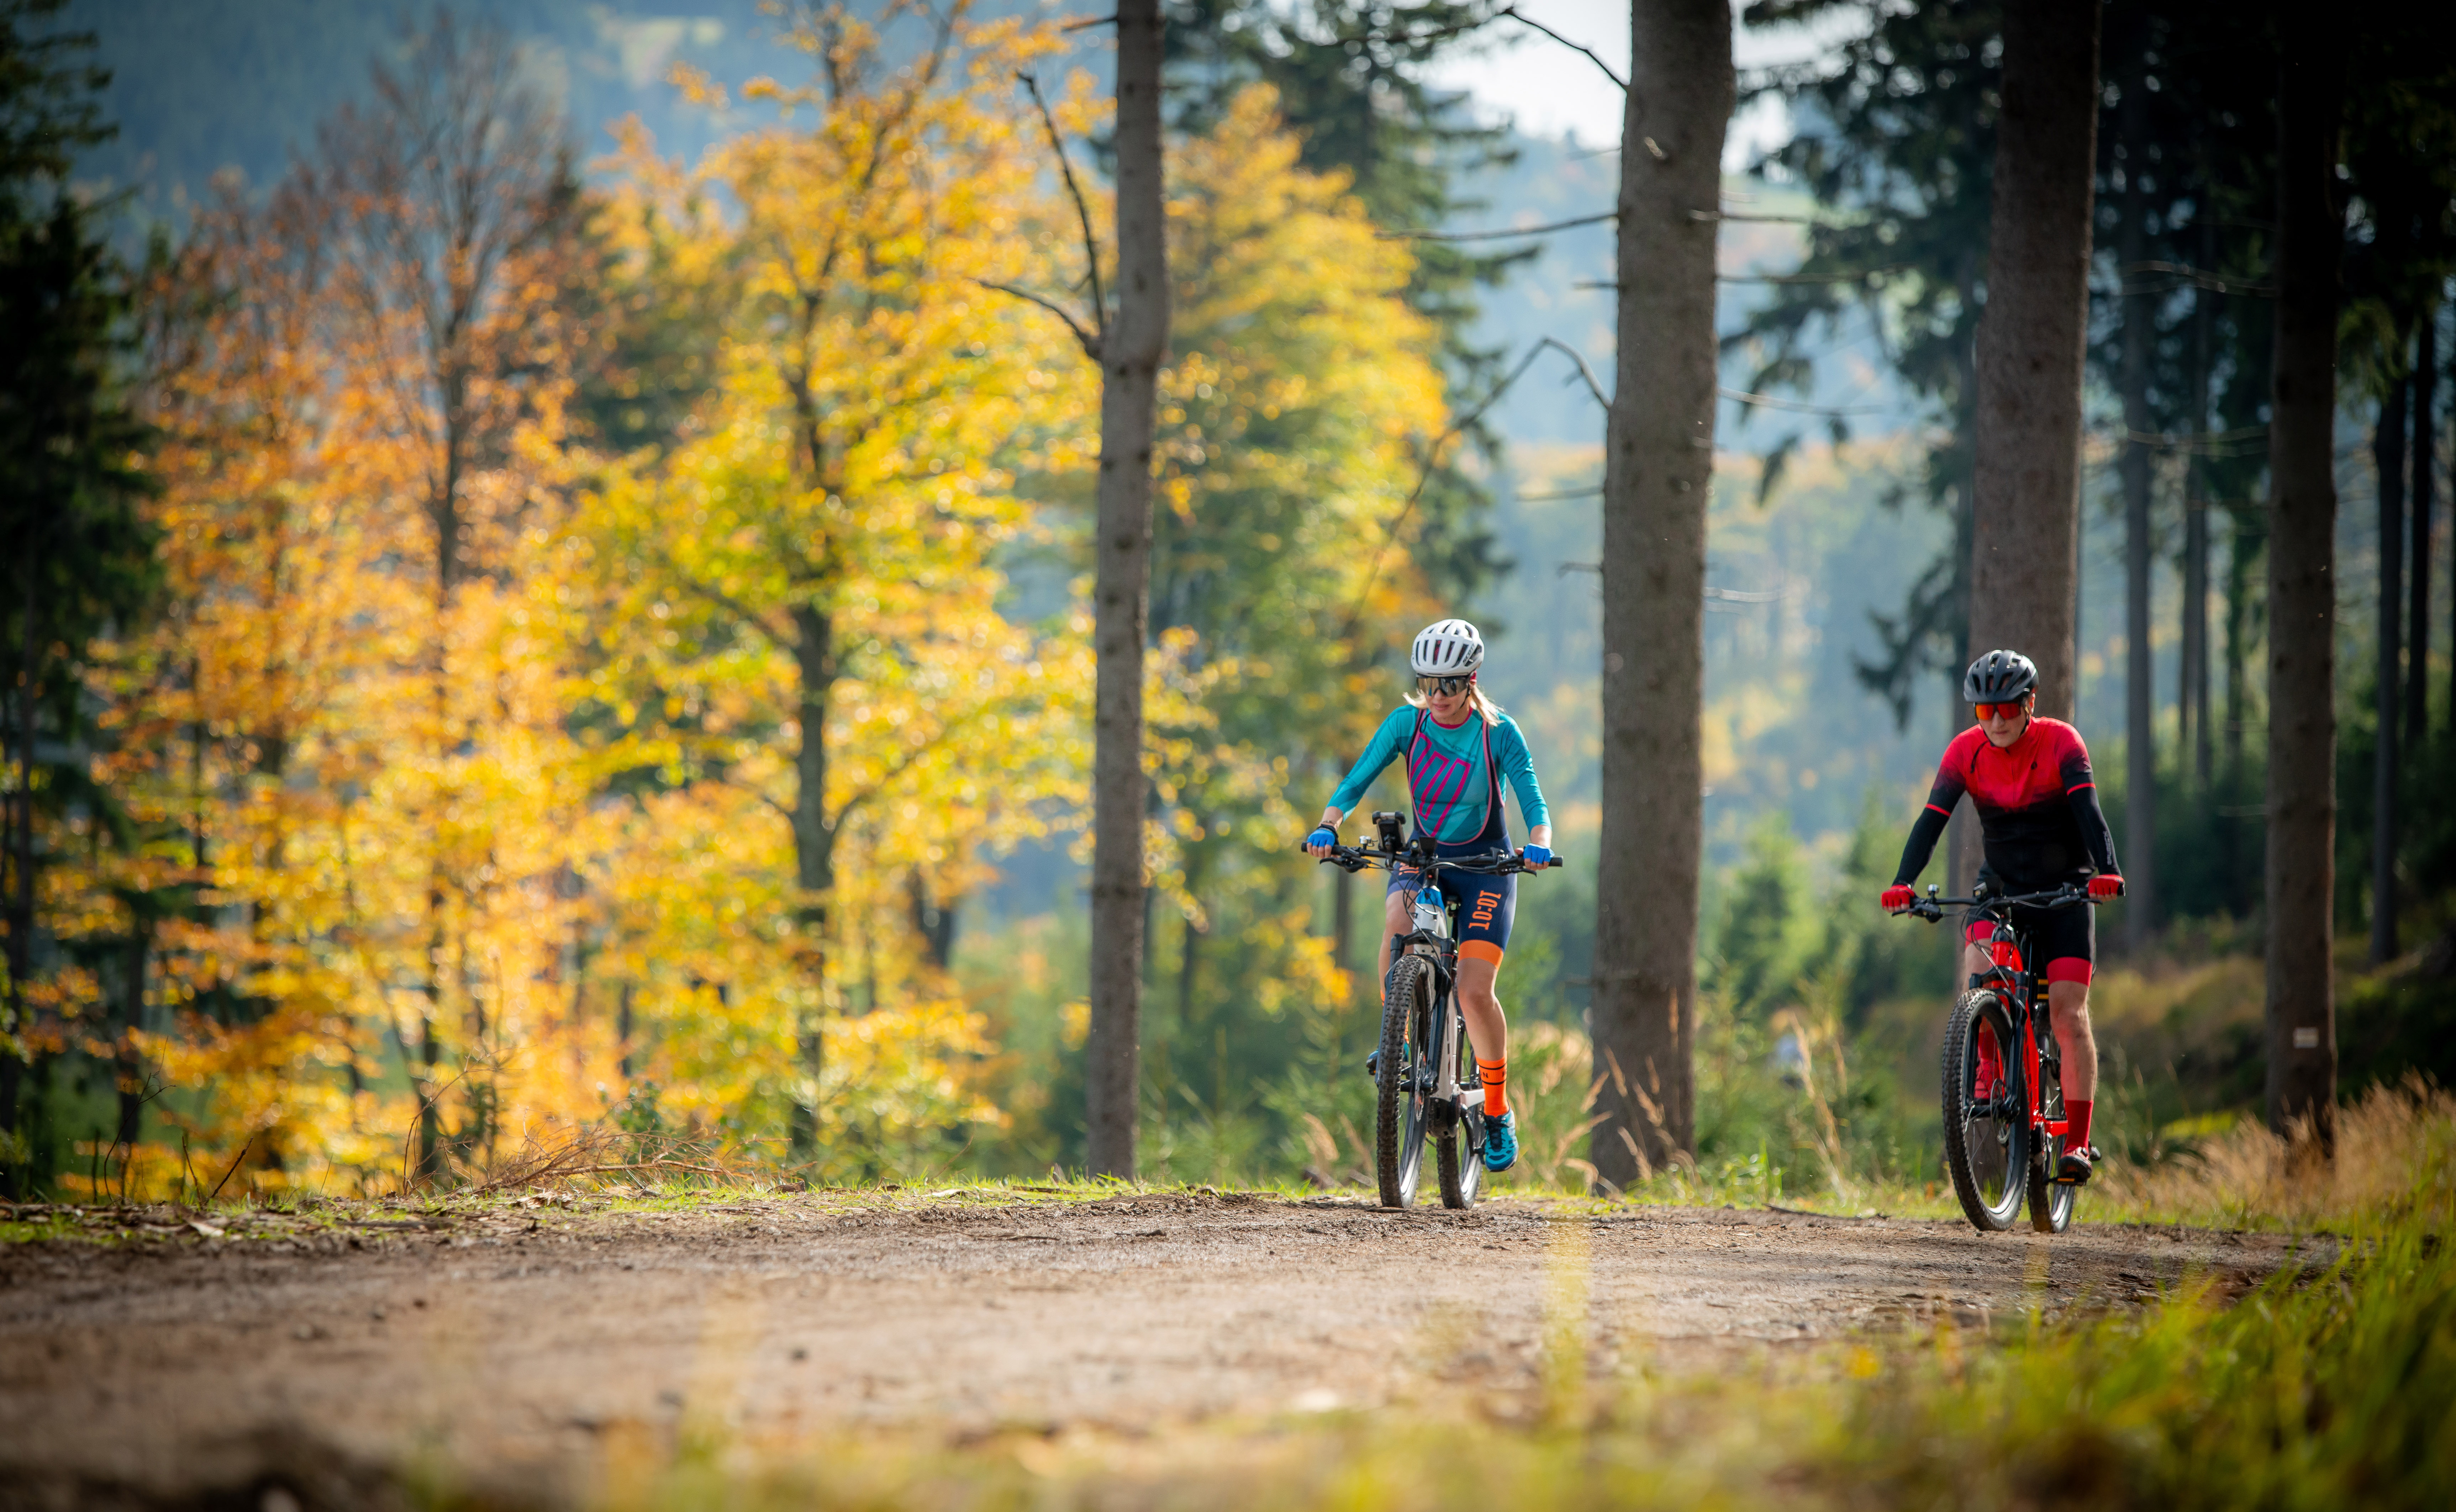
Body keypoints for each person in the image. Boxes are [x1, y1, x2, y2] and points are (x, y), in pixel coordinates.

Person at [1305, 618, 1553, 1173]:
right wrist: (1327, 824)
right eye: (1427, 682)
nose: (1437, 695)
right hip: (1425, 858)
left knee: (1473, 990)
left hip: (1487, 866)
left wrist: (1539, 842)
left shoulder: (1498, 732)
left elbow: (1533, 800)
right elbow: (1356, 779)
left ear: (1471, 681)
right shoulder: (1406, 724)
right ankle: (1398, 1040)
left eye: (1449, 684)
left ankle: (1496, 1110)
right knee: (1396, 920)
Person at [1880, 649, 2125, 1184]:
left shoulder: (2062, 743)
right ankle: (1989, 1067)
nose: (1995, 721)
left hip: (2065, 891)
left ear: (2029, 703)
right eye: (1983, 711)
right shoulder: (1965, 752)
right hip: (2001, 889)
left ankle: (2077, 1143)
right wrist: (1903, 881)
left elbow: (2090, 814)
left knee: (2067, 1015)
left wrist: (2107, 871)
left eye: (2007, 709)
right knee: (1980, 968)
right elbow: (1931, 820)